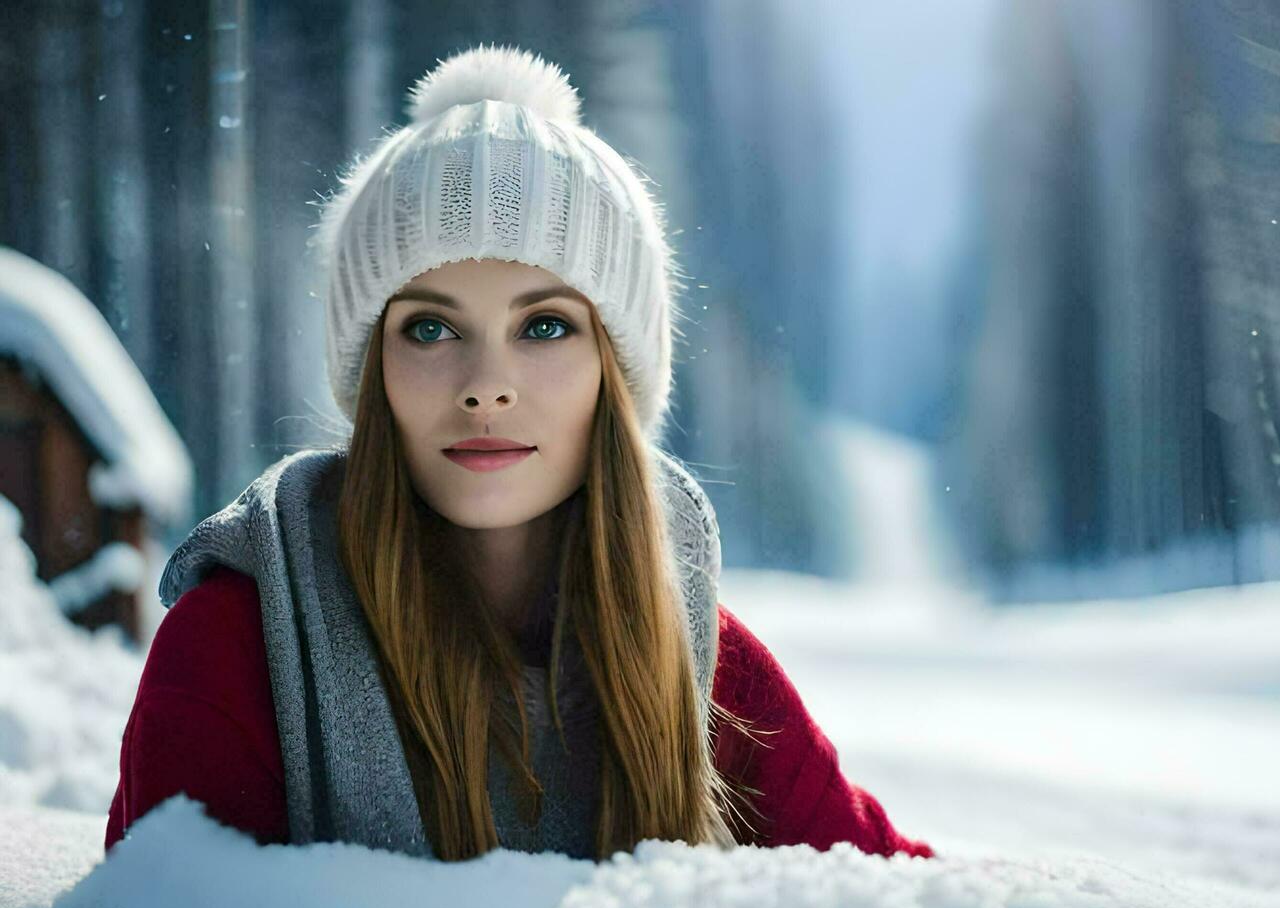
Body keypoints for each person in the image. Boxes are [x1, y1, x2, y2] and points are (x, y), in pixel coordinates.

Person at [105, 43, 933, 864]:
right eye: (430, 328)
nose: (485, 386)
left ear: (614, 373)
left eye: (544, 326)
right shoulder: (235, 644)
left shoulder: (702, 665)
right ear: (373, 374)